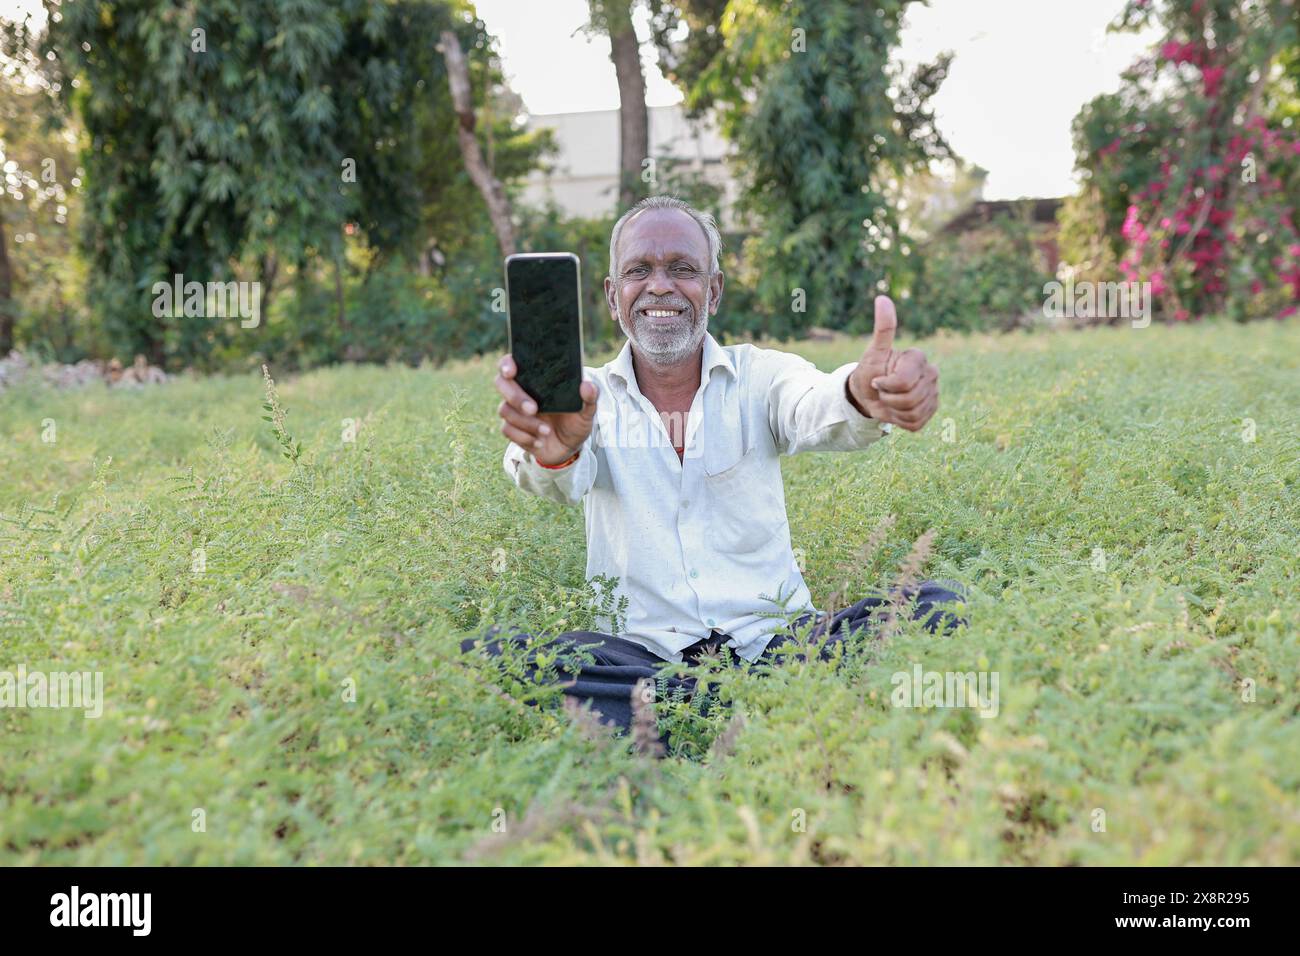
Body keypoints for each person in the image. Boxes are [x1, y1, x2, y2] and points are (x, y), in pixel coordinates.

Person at [463, 195, 964, 739]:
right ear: (613, 296)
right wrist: (557, 448)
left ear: (715, 290)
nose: (659, 286)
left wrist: (862, 394)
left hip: (778, 650)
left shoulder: (762, 375)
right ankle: (756, 718)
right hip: (642, 665)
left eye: (682, 269)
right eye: (639, 271)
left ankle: (686, 727)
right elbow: (544, 476)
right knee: (493, 657)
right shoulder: (583, 397)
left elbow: (816, 404)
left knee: (937, 607)